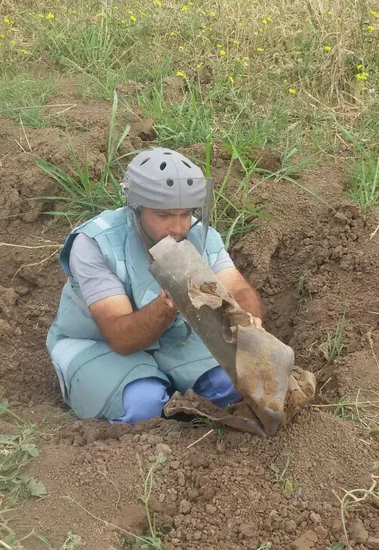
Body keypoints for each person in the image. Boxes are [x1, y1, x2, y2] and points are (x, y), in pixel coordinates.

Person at [46, 147, 264, 423]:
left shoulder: (200, 235)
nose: (178, 227)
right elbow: (122, 338)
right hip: (99, 344)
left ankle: (180, 397)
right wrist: (166, 305)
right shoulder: (95, 244)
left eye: (185, 214)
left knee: (236, 386)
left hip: (173, 339)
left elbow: (238, 288)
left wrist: (249, 320)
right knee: (144, 406)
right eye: (164, 216)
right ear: (136, 208)